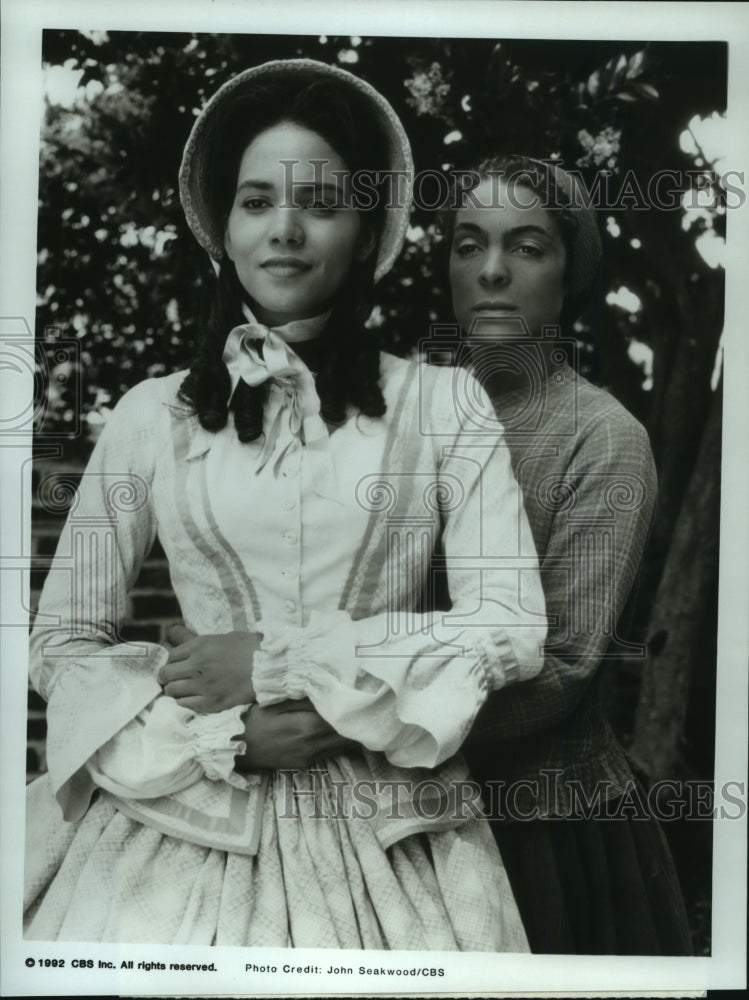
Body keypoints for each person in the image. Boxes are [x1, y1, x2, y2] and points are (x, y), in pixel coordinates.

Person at [24, 61, 547, 950]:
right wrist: (217, 736)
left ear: (367, 229)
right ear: (222, 227)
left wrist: (278, 663)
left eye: (322, 204)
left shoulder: (445, 407)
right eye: (257, 201)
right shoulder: (153, 416)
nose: (287, 231)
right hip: (180, 822)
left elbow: (512, 624)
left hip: (399, 836)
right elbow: (60, 642)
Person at [444, 153, 693, 954]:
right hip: (395, 808)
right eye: (466, 244)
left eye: (525, 246)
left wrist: (350, 722)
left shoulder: (602, 437)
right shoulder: (405, 413)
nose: (489, 270)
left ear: (569, 274)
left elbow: (560, 665)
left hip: (542, 829)